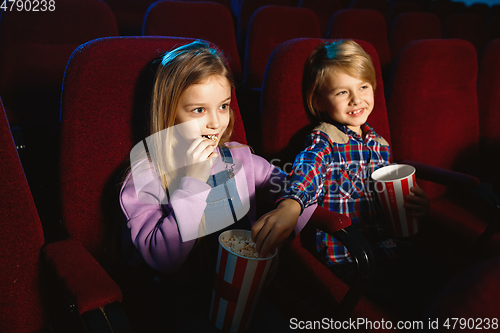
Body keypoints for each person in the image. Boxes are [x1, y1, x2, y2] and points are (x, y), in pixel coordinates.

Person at [119, 40, 313, 332]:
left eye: (223, 106)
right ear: (169, 112)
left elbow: (301, 184)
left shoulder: (238, 158)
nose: (215, 122)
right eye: (198, 110)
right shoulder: (144, 176)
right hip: (179, 303)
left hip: (243, 290)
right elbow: (164, 259)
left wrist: (292, 206)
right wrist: (193, 182)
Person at [279, 40, 450, 320]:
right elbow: (307, 169)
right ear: (320, 101)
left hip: (389, 246)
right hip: (349, 257)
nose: (356, 100)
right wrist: (292, 202)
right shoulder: (324, 139)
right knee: (415, 306)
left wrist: (415, 204)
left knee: (447, 279)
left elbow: (388, 197)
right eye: (342, 92)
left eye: (363, 87)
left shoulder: (379, 143)